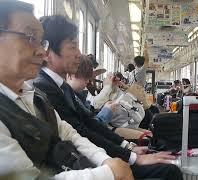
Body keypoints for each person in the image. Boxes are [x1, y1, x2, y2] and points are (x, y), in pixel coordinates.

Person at [33, 15, 182, 179]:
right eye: (73, 46)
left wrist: (128, 148)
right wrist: (131, 156)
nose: (79, 53)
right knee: (169, 171)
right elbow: (82, 131)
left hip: (89, 156)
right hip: (78, 165)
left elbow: (88, 123)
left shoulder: (61, 87)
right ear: (47, 52)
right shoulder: (44, 88)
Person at [0, 1, 133, 179]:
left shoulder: (34, 95)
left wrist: (105, 161)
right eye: (30, 37)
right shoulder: (43, 88)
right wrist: (109, 172)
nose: (41, 51)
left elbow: (68, 132)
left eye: (41, 42)